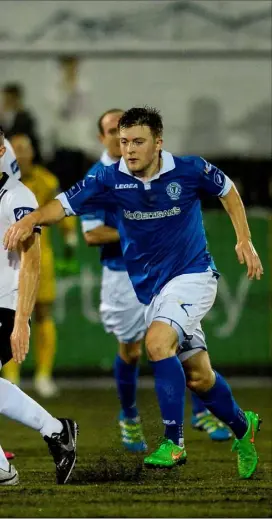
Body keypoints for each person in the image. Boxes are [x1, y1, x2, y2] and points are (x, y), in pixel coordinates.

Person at [4, 107, 263, 480]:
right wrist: (29, 219)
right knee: (199, 378)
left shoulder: (189, 169)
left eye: (138, 141)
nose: (129, 149)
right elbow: (62, 205)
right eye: (124, 142)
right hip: (152, 290)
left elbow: (228, 190)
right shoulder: (109, 178)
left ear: (159, 143)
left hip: (193, 276)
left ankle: (173, 442)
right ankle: (243, 426)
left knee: (157, 343)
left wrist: (245, 239)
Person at [81, 109, 231, 449]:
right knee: (132, 351)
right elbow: (91, 234)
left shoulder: (161, 169)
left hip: (172, 271)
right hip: (123, 276)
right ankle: (130, 416)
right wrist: (141, 227)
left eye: (130, 135)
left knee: (176, 339)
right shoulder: (100, 177)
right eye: (113, 132)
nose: (123, 142)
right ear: (102, 138)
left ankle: (199, 412)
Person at [0, 135, 78, 485]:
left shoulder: (18, 197)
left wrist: (21, 320)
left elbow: (31, 263)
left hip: (5, 306)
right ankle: (57, 431)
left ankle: (4, 469)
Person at [0, 83, 42, 163]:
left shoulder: (25, 119)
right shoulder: (4, 119)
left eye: (9, 99)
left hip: (20, 161)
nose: (5, 103)